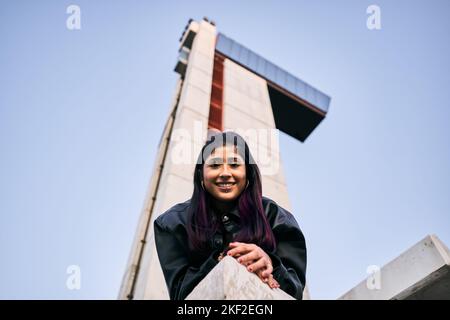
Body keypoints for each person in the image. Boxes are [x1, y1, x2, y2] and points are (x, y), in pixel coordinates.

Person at [154, 131, 307, 300]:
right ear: (200, 174)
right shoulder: (172, 223)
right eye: (214, 165)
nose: (225, 172)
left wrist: (271, 264)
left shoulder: (276, 216)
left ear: (248, 172)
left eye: (234, 165)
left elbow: (295, 292)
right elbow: (180, 295)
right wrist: (222, 258)